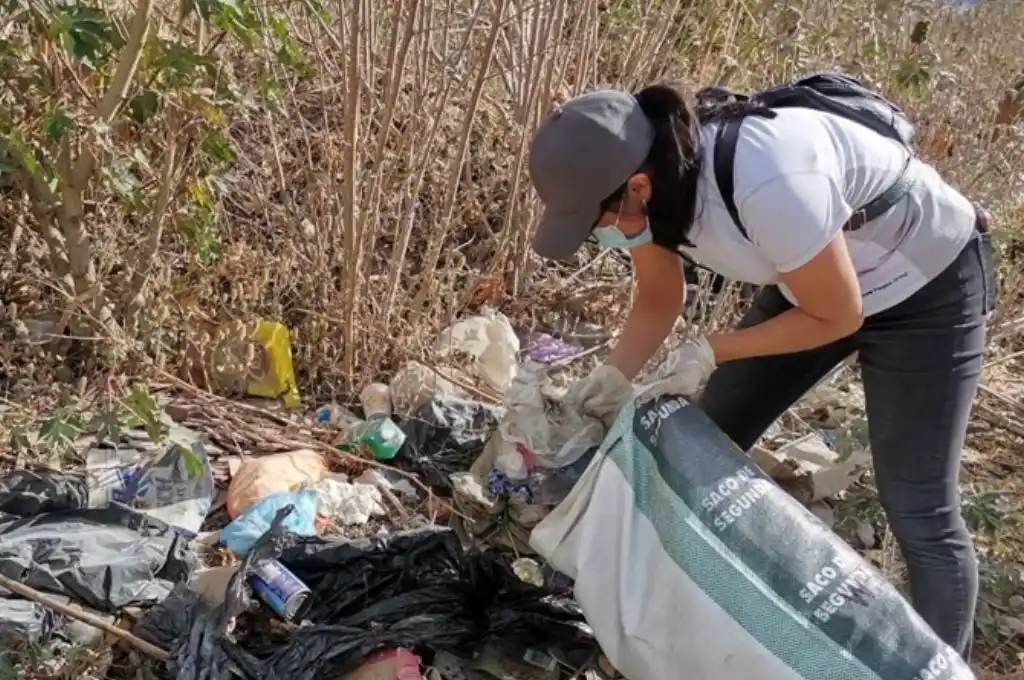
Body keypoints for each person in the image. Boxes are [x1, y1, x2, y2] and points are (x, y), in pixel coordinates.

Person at [527, 82, 997, 660]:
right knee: (703, 441)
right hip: (812, 281)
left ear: (637, 188)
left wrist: (713, 349)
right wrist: (607, 386)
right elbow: (657, 297)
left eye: (594, 221)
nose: (597, 236)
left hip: (927, 291)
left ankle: (940, 670)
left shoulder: (765, 177)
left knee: (919, 507)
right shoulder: (650, 189)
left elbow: (838, 315)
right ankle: (685, 621)